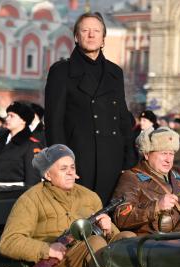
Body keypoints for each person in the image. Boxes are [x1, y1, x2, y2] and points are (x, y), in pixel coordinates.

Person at [0, 144, 135, 267]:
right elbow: (9, 242)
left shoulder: (90, 196)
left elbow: (110, 239)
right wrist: (47, 249)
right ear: (47, 174)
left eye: (72, 167)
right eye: (63, 169)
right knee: (94, 242)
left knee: (128, 239)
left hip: (90, 263)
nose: (70, 172)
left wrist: (108, 230)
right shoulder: (31, 199)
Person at [44, 12, 136, 205]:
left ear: (103, 38)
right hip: (78, 160)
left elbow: (122, 117)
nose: (91, 35)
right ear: (76, 37)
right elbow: (54, 122)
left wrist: (129, 158)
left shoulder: (115, 72)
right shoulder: (61, 71)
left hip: (112, 159)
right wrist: (60, 162)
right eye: (85, 30)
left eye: (96, 31)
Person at [0, 102, 42, 188]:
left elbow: (33, 179)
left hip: (16, 195)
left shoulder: (30, 144)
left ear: (23, 120)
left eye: (12, 116)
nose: (7, 119)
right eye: (7, 115)